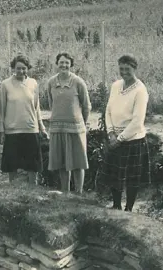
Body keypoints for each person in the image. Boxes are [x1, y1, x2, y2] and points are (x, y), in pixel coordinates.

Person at [102, 54, 151, 212]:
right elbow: (108, 110)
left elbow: (137, 121)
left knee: (132, 177)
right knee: (115, 175)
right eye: (121, 69)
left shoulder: (140, 90)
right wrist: (110, 133)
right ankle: (116, 205)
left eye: (127, 69)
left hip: (132, 140)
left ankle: (129, 209)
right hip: (114, 137)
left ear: (134, 69)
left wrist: (120, 138)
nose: (124, 72)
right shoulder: (116, 86)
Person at [0, 54, 48, 183]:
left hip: (31, 129)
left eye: (24, 68)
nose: (21, 71)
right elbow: (2, 109)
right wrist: (2, 130)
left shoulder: (33, 83)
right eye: (18, 68)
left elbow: (37, 108)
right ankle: (13, 190)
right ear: (13, 69)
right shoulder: (5, 84)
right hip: (12, 130)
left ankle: (33, 190)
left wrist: (41, 127)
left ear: (28, 69)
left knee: (33, 165)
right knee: (11, 164)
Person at [46, 52, 91, 193]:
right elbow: (50, 103)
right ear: (57, 64)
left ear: (71, 64)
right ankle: (65, 193)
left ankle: (79, 192)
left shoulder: (78, 82)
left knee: (78, 162)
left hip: (76, 129)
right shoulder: (51, 82)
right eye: (61, 62)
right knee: (62, 162)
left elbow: (86, 105)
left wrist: (81, 123)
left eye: (67, 62)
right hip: (57, 128)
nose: (64, 65)